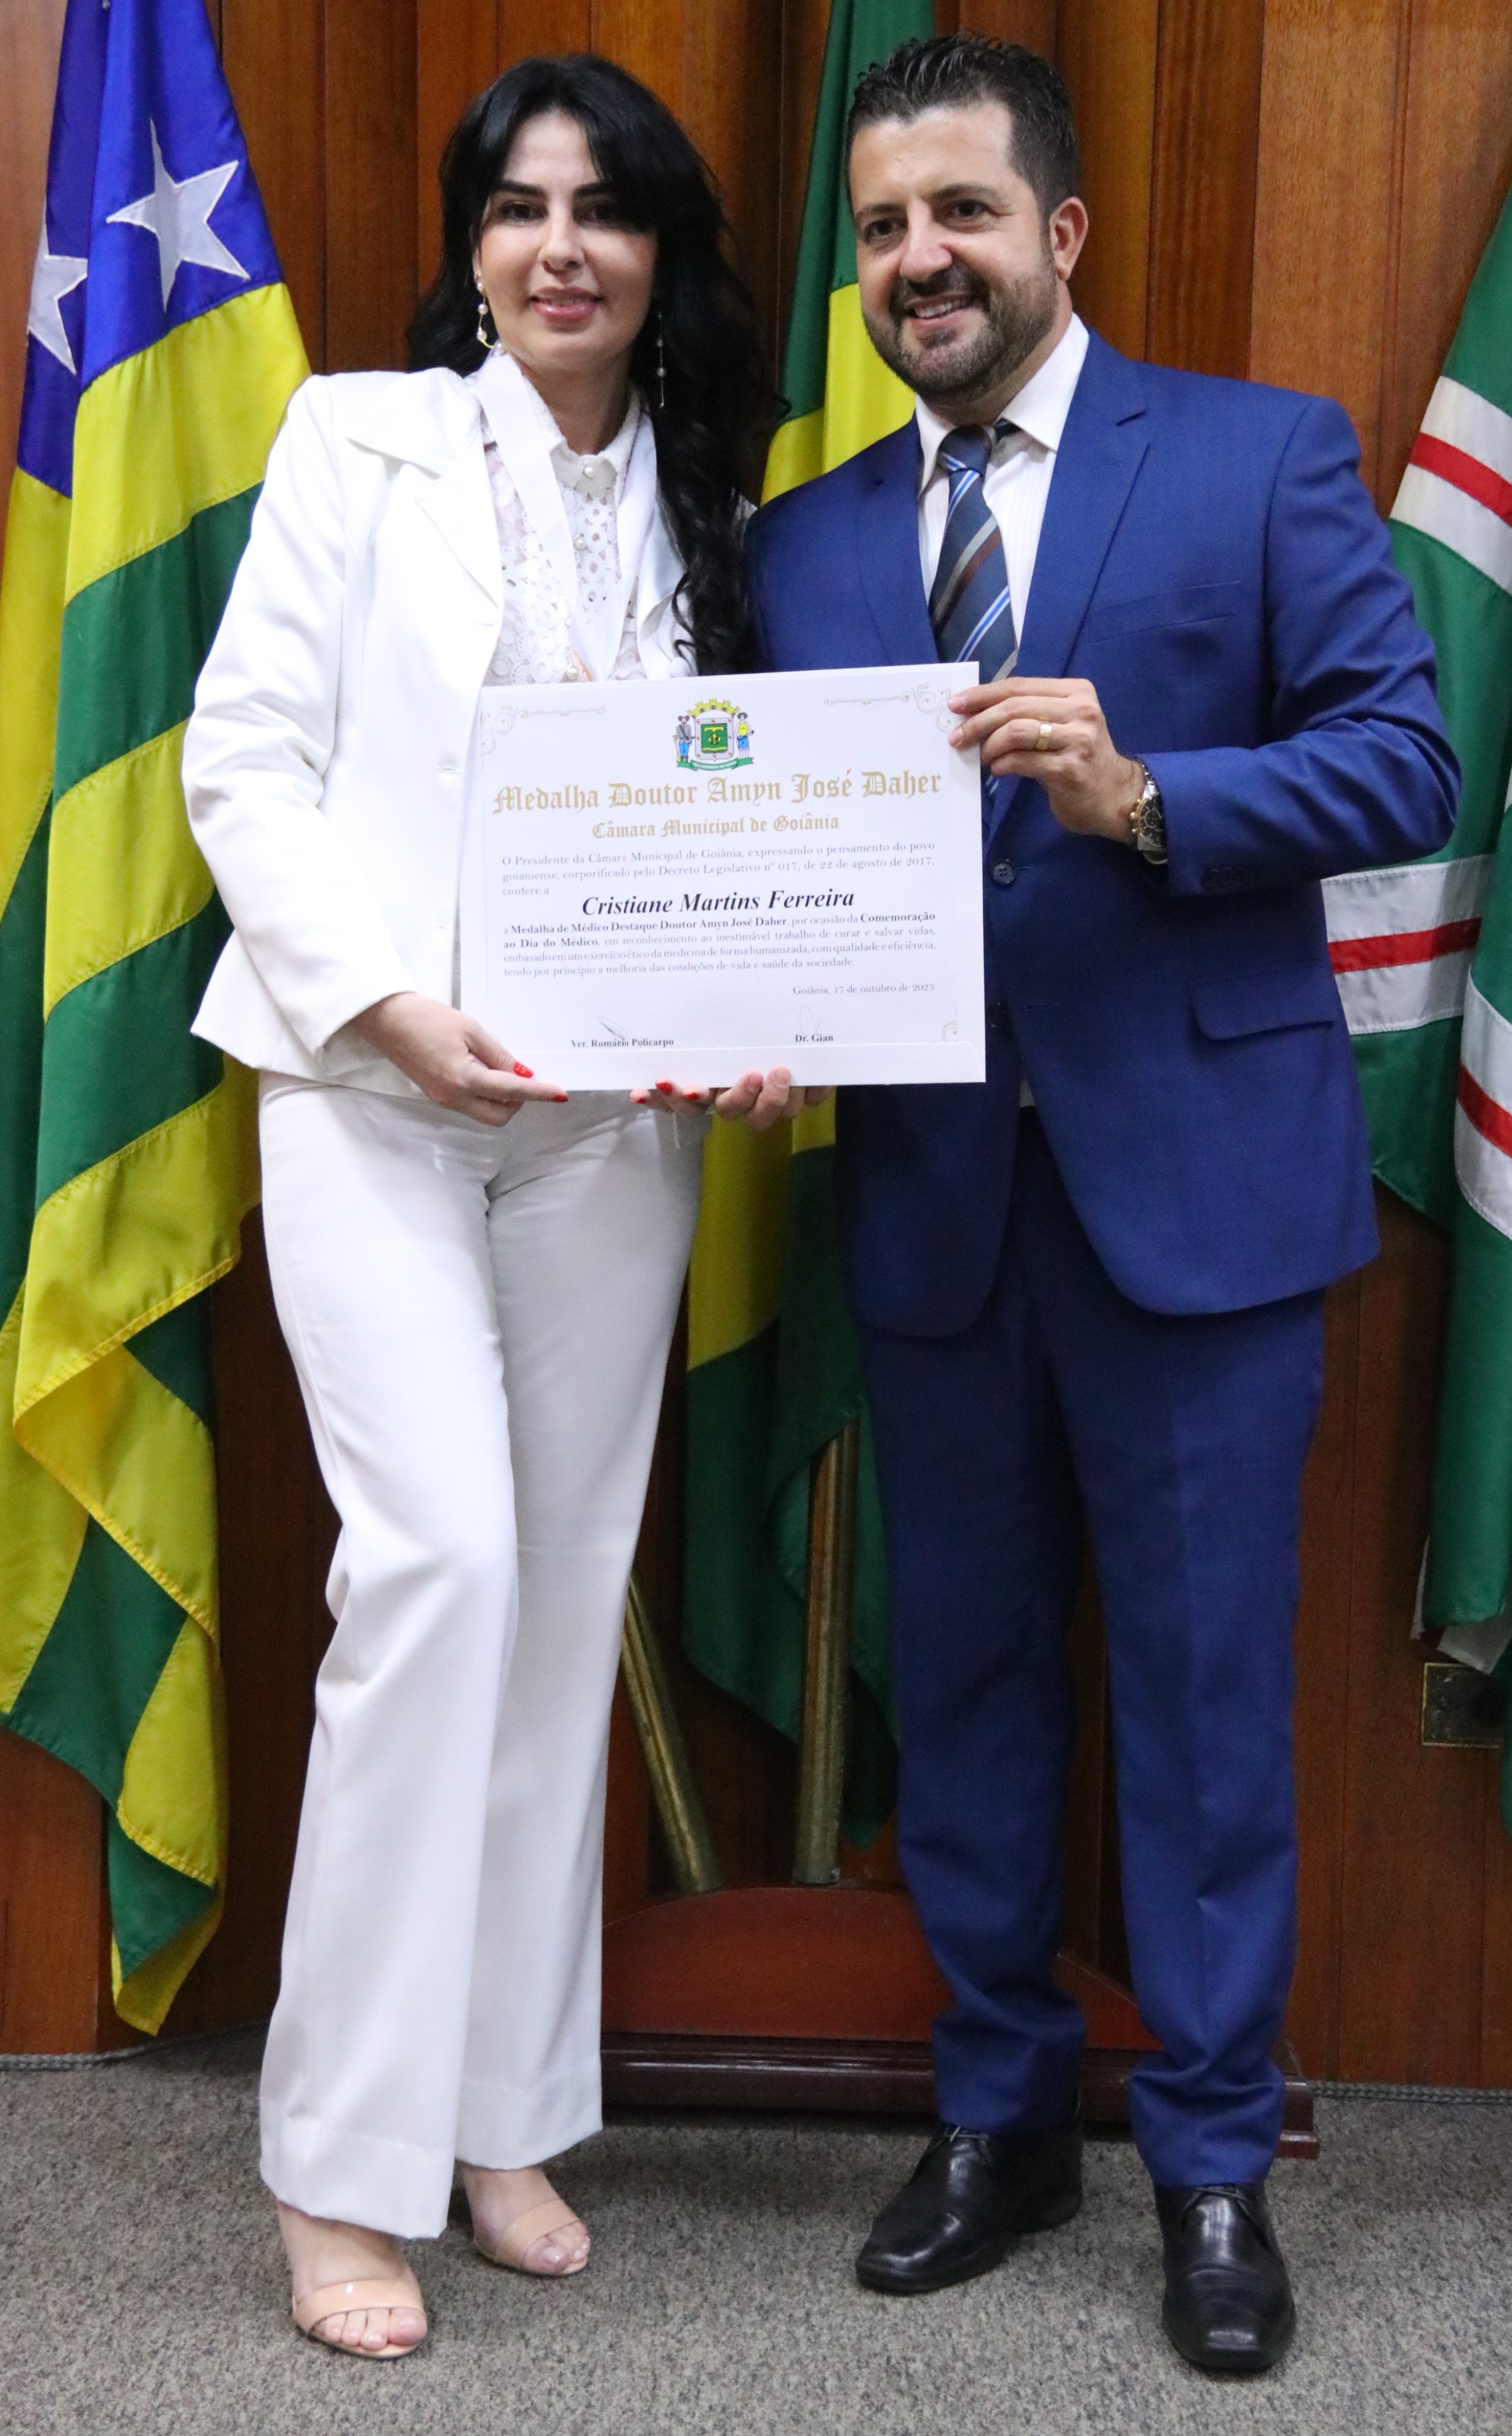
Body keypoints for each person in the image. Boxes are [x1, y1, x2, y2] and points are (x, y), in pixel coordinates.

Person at [747, 32, 1458, 2373]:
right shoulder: (807, 537)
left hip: (1201, 1200)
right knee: (962, 1685)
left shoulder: (1259, 456)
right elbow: (767, 860)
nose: (917, 259)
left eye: (960, 212)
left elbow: (1406, 758)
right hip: (937, 1202)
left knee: (1204, 1700)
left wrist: (1150, 797)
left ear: (1058, 232)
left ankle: (1216, 2163)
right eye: (882, 227)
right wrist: (742, 1005)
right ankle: (999, 2118)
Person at [183, 53, 800, 2359]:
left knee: (554, 1603)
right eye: (520, 205)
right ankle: (336, 2167)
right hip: (373, 1091)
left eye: (603, 209)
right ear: (470, 242)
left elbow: (745, 828)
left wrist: (761, 1011)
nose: (560, 247)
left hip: (610, 1131)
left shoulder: (717, 492)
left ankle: (500, 2109)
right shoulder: (357, 441)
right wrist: (381, 1000)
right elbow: (243, 759)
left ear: (659, 253)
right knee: (435, 1570)